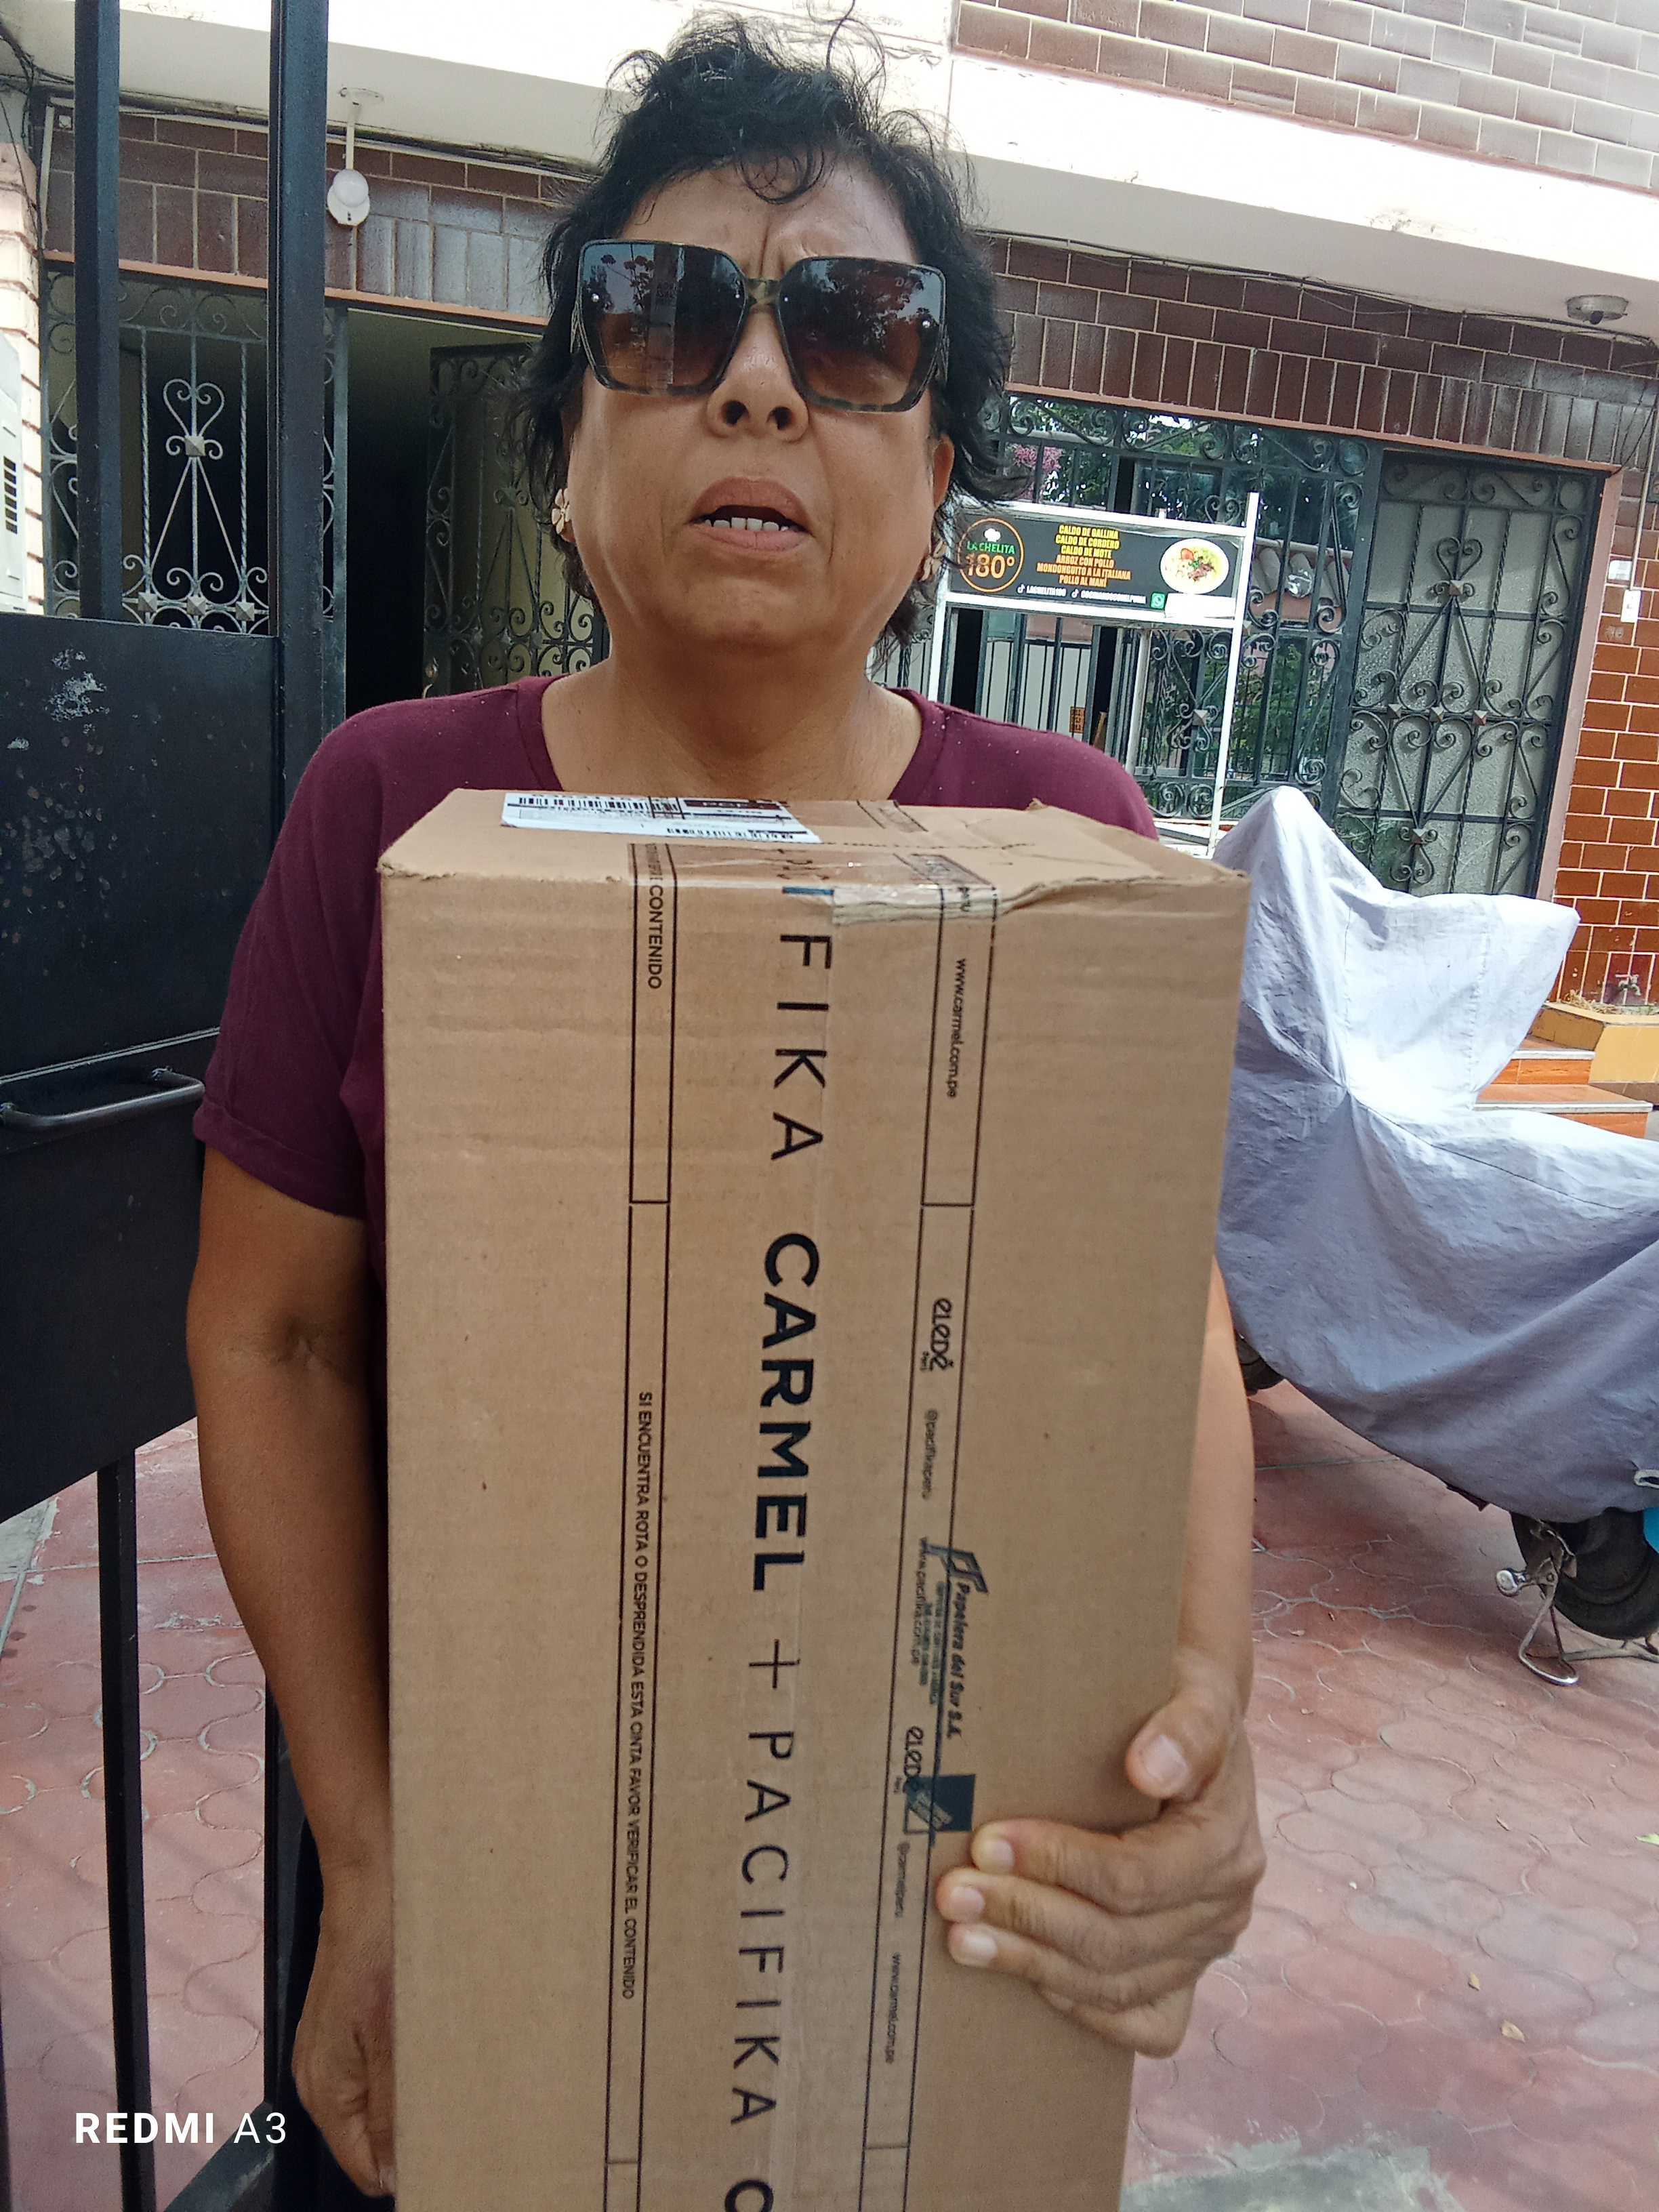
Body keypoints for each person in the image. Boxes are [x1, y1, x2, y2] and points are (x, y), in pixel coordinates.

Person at [186, 17, 1265, 2205]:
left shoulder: (1061, 842)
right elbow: (275, 1336)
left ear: (939, 472)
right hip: (472, 1844)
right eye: (667, 318)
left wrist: (1200, 1744)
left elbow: (1164, 1337)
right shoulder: (392, 807)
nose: (760, 384)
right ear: (566, 451)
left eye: (854, 332)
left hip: (917, 1892)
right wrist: (370, 1856)